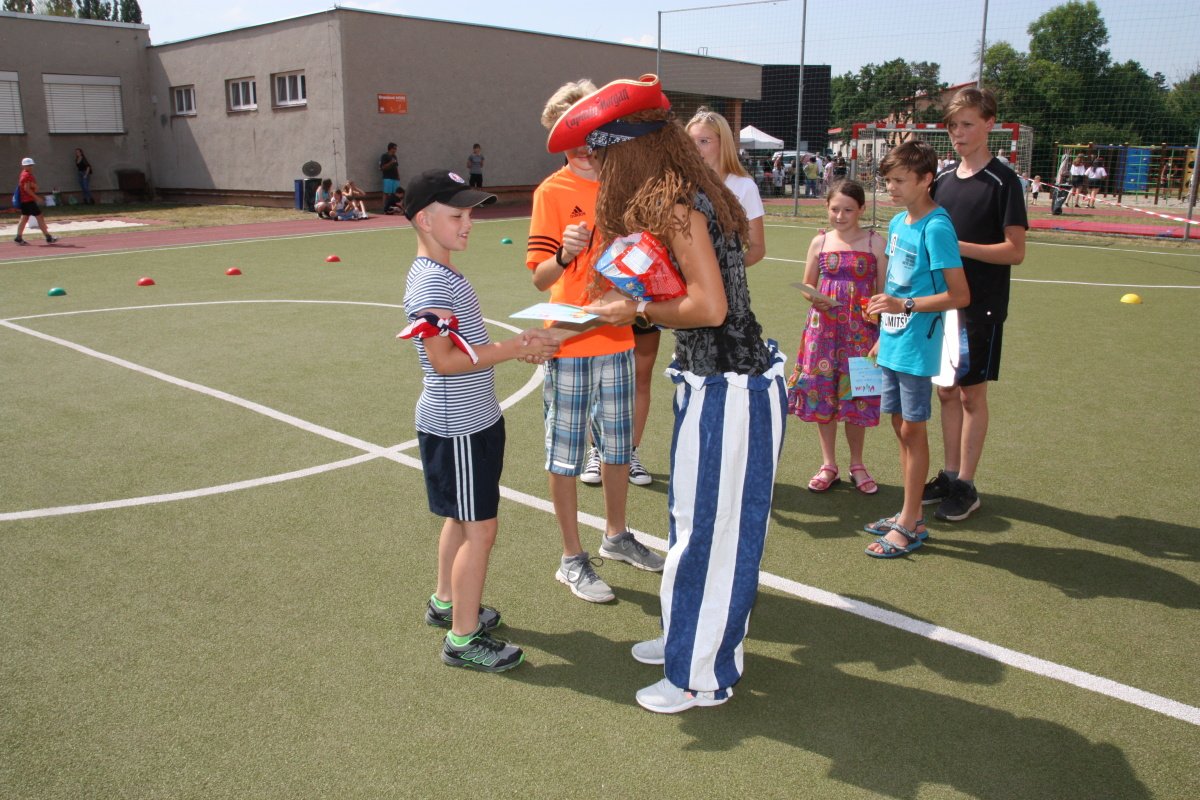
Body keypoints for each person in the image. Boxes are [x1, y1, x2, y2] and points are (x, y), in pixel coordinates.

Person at [552, 74, 788, 714]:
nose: (601, 169)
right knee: (690, 524)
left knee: (712, 536)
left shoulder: (679, 203)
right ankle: (686, 637)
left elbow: (709, 308)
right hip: (714, 382)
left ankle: (700, 676)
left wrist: (634, 310)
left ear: (629, 149)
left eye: (603, 155)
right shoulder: (683, 193)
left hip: (730, 389)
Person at [399, 168, 560, 672]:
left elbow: (464, 348)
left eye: (469, 214)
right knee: (480, 529)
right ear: (424, 220)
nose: (468, 223)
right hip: (459, 426)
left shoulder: (442, 272)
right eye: (457, 215)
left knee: (461, 517)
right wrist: (514, 347)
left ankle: (446, 603)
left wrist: (515, 348)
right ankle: (463, 638)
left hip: (471, 418)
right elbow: (444, 360)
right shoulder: (431, 282)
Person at [525, 79, 663, 605]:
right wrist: (564, 254)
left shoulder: (622, 184)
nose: (582, 146)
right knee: (565, 455)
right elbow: (539, 278)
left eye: (589, 133)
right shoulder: (551, 192)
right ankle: (570, 557)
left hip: (619, 339)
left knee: (619, 448)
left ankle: (617, 536)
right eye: (570, 137)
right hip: (569, 344)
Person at [925, 86, 1028, 522]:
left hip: (981, 305)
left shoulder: (1004, 182)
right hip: (943, 303)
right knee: (945, 390)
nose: (959, 133)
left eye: (967, 124)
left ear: (989, 124)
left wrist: (958, 247)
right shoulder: (943, 180)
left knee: (971, 394)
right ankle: (949, 475)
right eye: (953, 126)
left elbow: (1014, 251)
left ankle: (967, 484)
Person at [865, 139, 970, 557]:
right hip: (893, 340)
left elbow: (959, 295)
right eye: (888, 180)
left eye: (899, 180)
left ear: (926, 179)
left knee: (913, 428)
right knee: (900, 427)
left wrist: (904, 306)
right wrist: (882, 329)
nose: (890, 187)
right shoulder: (897, 223)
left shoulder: (937, 227)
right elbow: (895, 283)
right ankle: (910, 513)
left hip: (919, 343)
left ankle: (910, 521)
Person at [787, 179, 886, 495]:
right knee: (823, 395)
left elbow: (883, 291)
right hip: (823, 332)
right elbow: (807, 284)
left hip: (862, 333)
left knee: (857, 396)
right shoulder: (819, 241)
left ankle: (858, 465)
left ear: (861, 209)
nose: (840, 216)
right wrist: (814, 297)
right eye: (835, 209)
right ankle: (828, 464)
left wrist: (880, 331)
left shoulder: (874, 243)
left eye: (848, 210)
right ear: (826, 208)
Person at [13, 157, 57, 246]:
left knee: (24, 218)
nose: (30, 167)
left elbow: (27, 186)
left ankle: (18, 237)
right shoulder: (27, 175)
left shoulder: (24, 174)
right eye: (28, 165)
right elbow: (27, 189)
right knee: (39, 217)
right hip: (29, 201)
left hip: (25, 201)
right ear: (23, 166)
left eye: (31, 165)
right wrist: (37, 197)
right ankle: (48, 237)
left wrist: (34, 186)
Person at [379, 142, 401, 213]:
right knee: (386, 193)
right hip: (387, 177)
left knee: (395, 193)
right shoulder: (384, 156)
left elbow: (396, 167)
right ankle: (384, 208)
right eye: (394, 148)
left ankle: (393, 207)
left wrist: (398, 175)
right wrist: (390, 162)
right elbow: (382, 167)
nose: (395, 150)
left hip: (395, 177)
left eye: (396, 149)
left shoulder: (395, 156)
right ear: (390, 148)